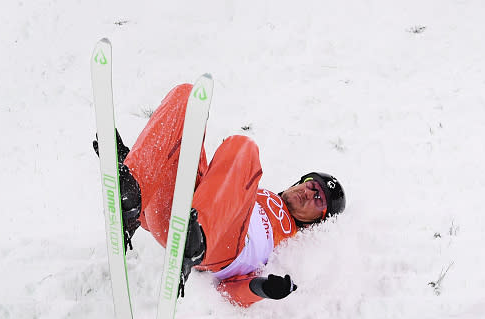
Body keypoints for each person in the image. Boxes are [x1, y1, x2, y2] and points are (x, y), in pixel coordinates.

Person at [93, 83, 346, 307]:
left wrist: (263, 290)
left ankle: (195, 239)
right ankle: (132, 190)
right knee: (188, 98)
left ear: (318, 221)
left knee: (244, 147)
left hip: (213, 246)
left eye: (318, 200)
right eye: (311, 185)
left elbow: (230, 289)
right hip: (175, 215)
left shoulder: (289, 244)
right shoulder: (253, 191)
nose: (309, 193)